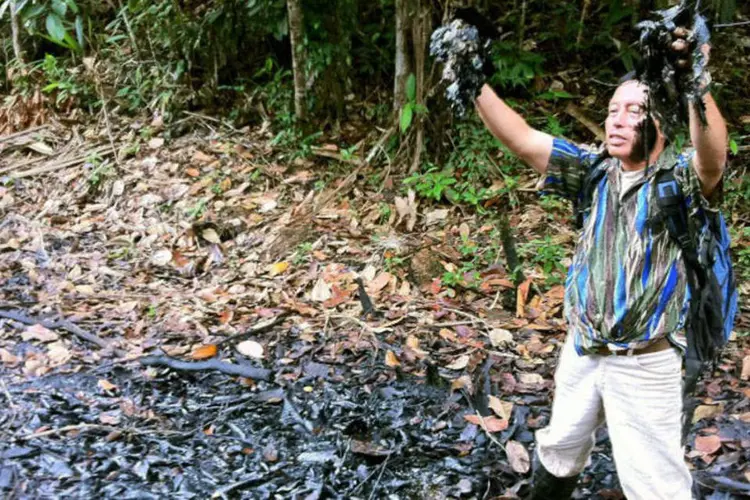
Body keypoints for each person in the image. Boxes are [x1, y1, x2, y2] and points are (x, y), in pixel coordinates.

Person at [473, 36, 727, 500]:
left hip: (646, 361)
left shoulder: (680, 181)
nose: (617, 119)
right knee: (559, 448)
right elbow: (523, 140)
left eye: (634, 110)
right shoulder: (593, 172)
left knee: (656, 486)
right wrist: (474, 81)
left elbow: (713, 158)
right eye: (613, 109)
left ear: (661, 122)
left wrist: (695, 84)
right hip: (584, 349)